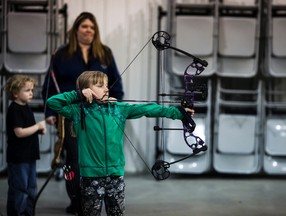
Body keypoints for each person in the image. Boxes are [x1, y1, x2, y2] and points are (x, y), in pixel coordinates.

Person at [46, 71, 195, 216]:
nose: (106, 89)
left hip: (116, 175)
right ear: (86, 90)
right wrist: (77, 95)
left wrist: (179, 113)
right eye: (100, 86)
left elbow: (147, 109)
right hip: (91, 177)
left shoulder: (118, 109)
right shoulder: (78, 112)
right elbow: (52, 102)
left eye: (106, 85)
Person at [41, 11, 124, 214]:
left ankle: (101, 196)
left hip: (101, 115)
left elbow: (116, 85)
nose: (89, 31)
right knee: (74, 160)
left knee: (97, 157)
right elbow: (49, 86)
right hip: (73, 115)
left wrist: (117, 108)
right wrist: (50, 112)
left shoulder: (105, 53)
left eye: (92, 27)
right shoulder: (61, 54)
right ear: (76, 29)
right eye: (85, 26)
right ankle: (76, 199)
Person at [4, 75, 47, 216]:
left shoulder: (26, 108)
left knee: (31, 189)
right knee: (20, 189)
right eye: (27, 90)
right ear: (15, 93)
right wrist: (38, 126)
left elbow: (29, 128)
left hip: (30, 156)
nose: (31, 93)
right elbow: (19, 132)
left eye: (32, 90)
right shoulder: (14, 109)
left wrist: (40, 130)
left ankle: (28, 213)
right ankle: (18, 213)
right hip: (18, 158)